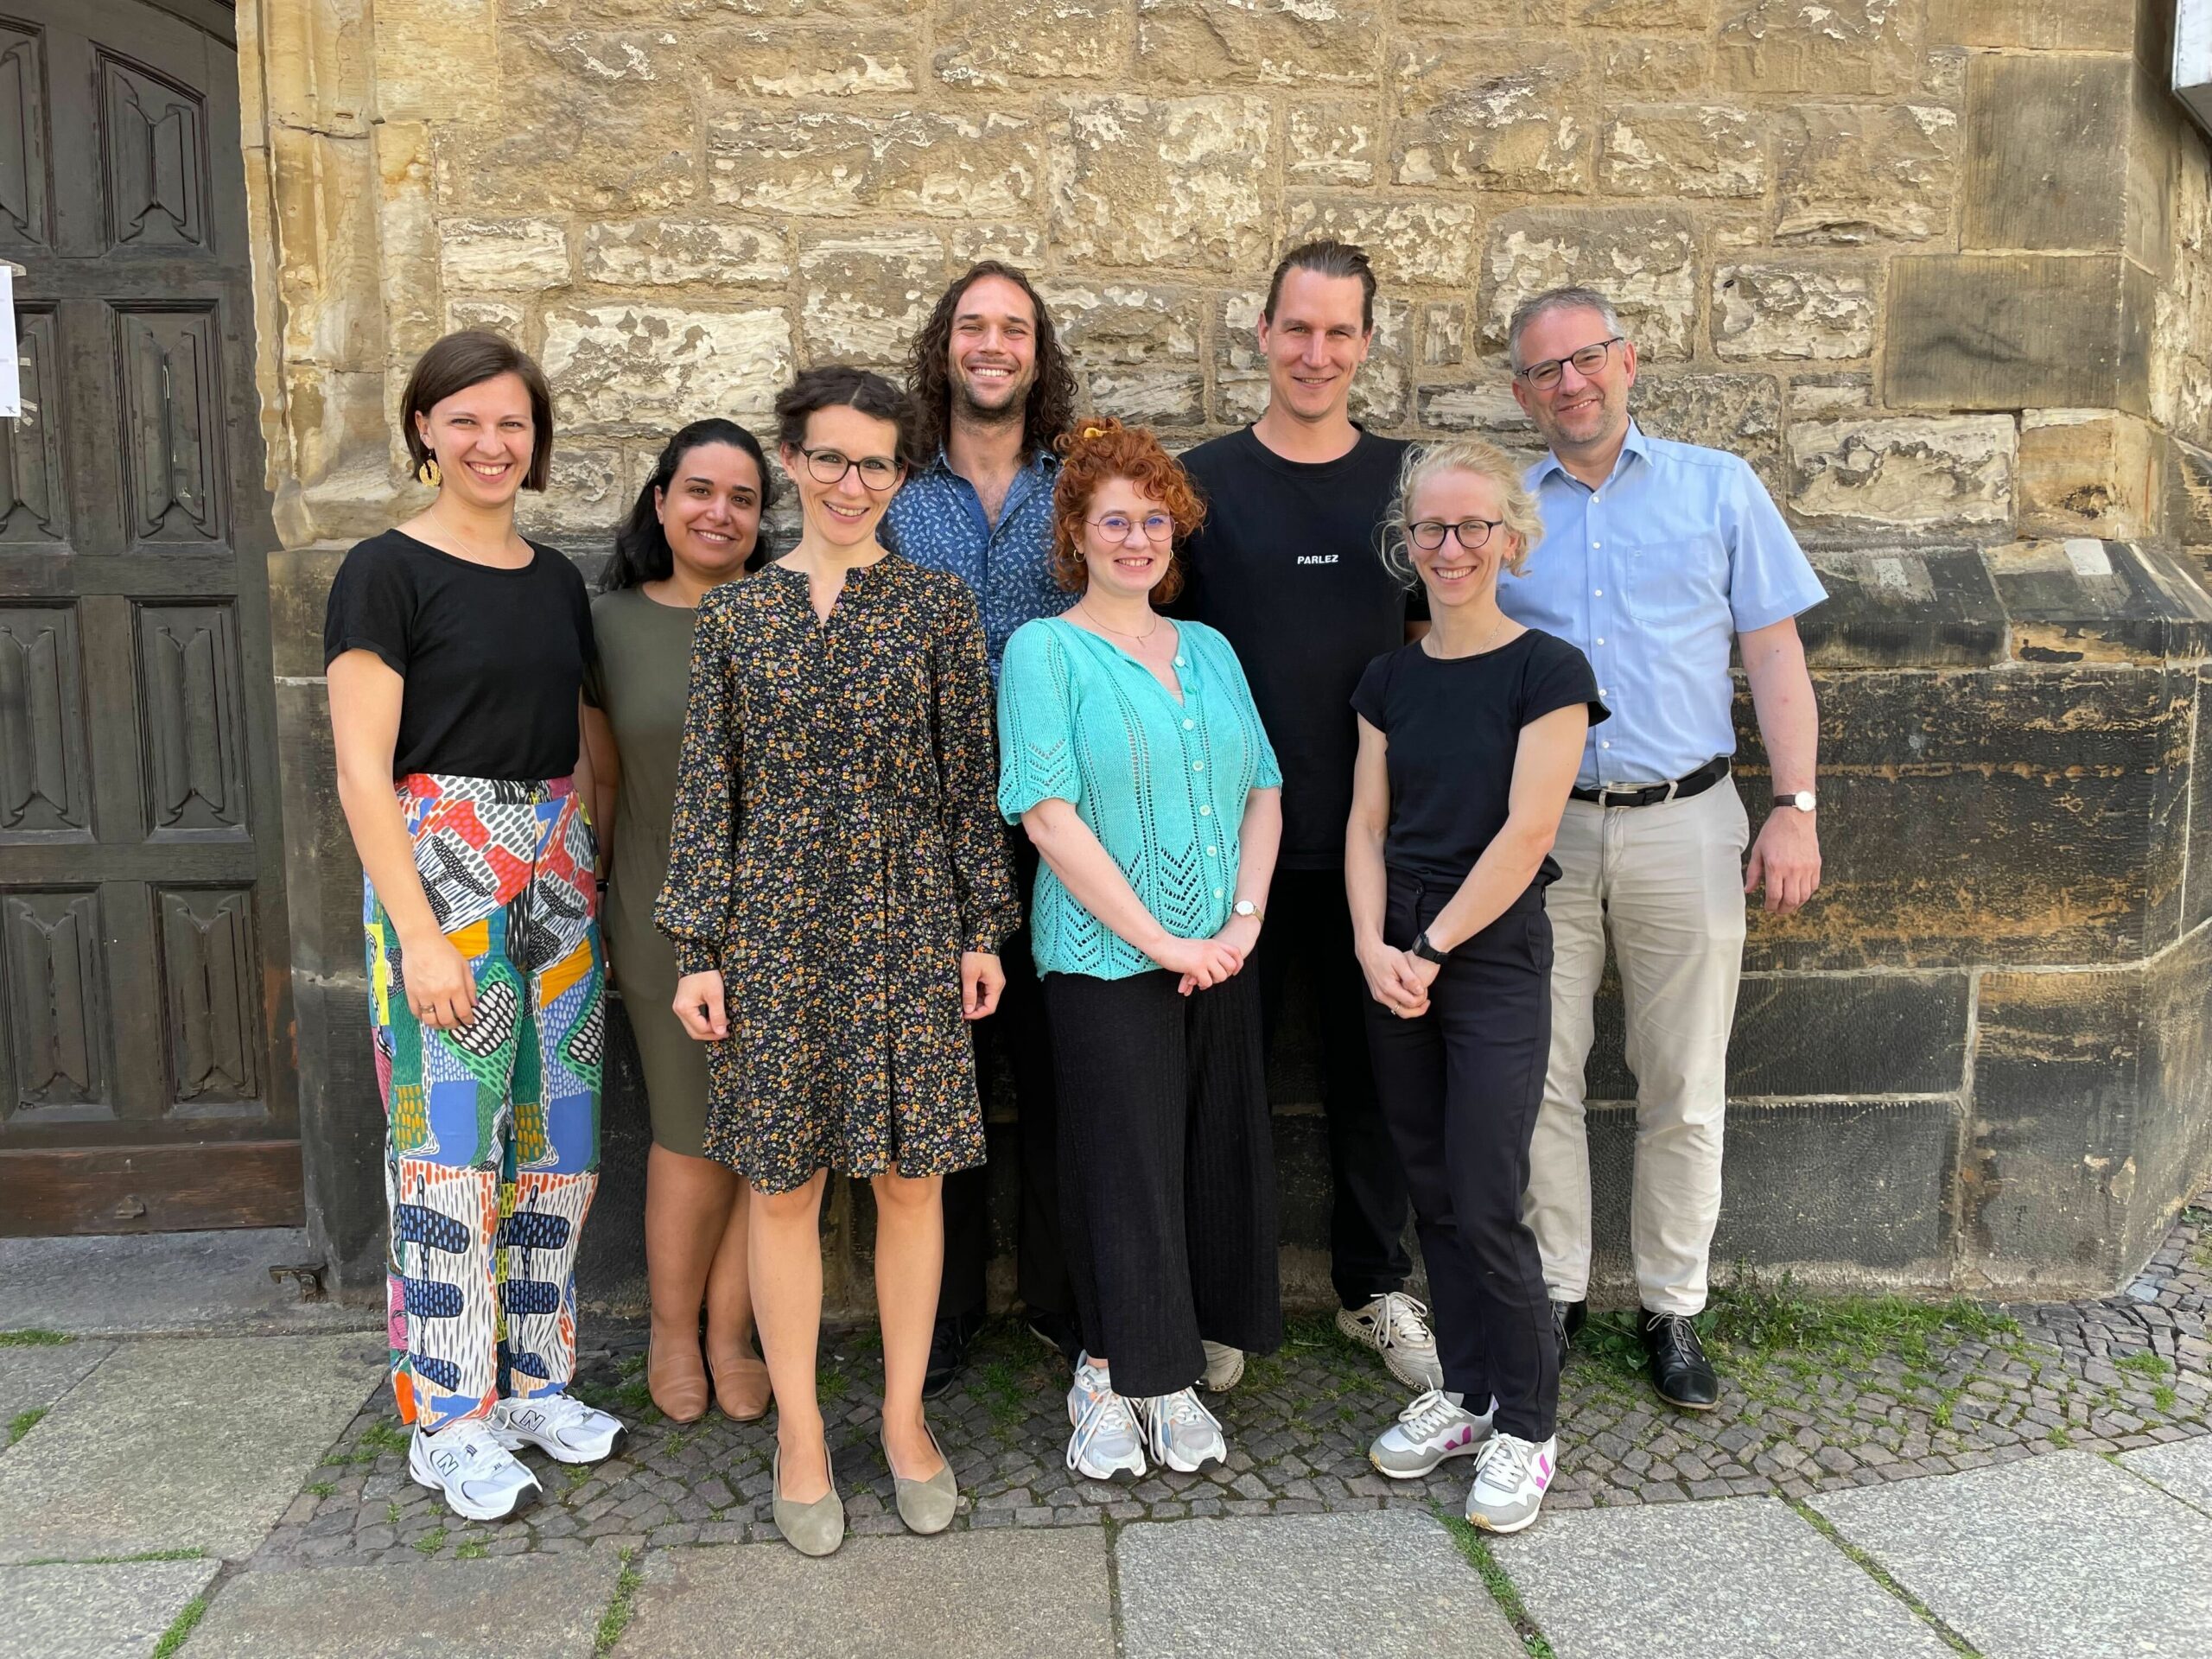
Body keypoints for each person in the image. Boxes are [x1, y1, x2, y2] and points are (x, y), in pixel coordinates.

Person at [656, 365, 1016, 1557]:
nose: (850, 482)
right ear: (793, 464)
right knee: (786, 1184)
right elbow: (710, 790)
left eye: (874, 463)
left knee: (912, 1182)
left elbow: (972, 783)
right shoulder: (737, 618)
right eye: (828, 458)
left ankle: (906, 1420)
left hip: (910, 920)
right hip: (771, 929)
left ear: (898, 476)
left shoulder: (935, 609)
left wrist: (981, 928)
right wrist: (698, 945)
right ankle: (803, 1430)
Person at [1498, 285, 1826, 1411]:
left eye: (1585, 359)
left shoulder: (1717, 489)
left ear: (1628, 361)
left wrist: (1797, 805)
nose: (1570, 384)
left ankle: (1673, 1306)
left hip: (1688, 821)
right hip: (1539, 834)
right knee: (1536, 1073)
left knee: (1683, 1077)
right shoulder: (1502, 512)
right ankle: (1550, 1294)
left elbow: (1774, 657)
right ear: (1520, 393)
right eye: (1545, 371)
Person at [325, 329, 626, 1523]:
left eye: (511, 423)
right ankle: (448, 1414)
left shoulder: (553, 579)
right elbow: (360, 772)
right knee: (450, 1145)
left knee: (561, 1138)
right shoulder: (382, 572)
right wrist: (419, 932)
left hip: (557, 873)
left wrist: (590, 858)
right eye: (465, 421)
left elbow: (579, 730)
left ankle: (535, 1379)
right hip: (439, 871)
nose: (491, 444)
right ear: (424, 433)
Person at [997, 418, 1284, 1482]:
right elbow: (1045, 812)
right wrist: (1162, 938)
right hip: (1103, 957)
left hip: (1220, 951)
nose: (1136, 540)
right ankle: (1115, 1375)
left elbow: (1263, 786)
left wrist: (1239, 925)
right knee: (1121, 1166)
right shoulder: (1045, 650)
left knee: (1207, 1151)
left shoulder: (1207, 648)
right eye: (1113, 521)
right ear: (1075, 532)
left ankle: (1176, 1364)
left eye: (1153, 520)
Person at [1175, 239, 1438, 1394]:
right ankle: (1221, 1298)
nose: (1316, 353)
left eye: (1339, 333)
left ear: (1367, 345)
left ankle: (1375, 1288)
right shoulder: (1203, 485)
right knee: (1221, 1085)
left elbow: (1443, 647)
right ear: (1263, 336)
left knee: (1379, 1079)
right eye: (1297, 329)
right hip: (1233, 845)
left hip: (1377, 845)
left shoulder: (1412, 486)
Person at [1348, 438, 1603, 1535]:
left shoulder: (1548, 671)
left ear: (1511, 537)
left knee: (1489, 1192)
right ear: (1405, 544)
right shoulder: (1388, 678)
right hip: (1394, 949)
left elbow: (1529, 828)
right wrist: (1371, 944)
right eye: (1429, 530)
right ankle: (1465, 1390)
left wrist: (1431, 947)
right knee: (1431, 1188)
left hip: (1486, 951)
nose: (1448, 548)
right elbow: (1365, 823)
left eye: (1470, 528)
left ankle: (1528, 1427)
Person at [881, 261, 1083, 1393]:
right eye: (974, 326)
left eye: (1014, 328)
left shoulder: (1078, 486)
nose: (993, 344)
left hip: (1060, 827)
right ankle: (942, 1315)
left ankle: (1059, 1299)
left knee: (1059, 1069)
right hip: (928, 829)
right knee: (938, 1077)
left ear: (1037, 353)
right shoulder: (899, 492)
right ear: (945, 348)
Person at [581, 419, 777, 1426]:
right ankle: (672, 1329)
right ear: (660, 503)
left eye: (742, 498)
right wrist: (593, 901)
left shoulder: (792, 615)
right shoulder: (607, 624)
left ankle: (734, 1335)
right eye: (700, 491)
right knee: (692, 1136)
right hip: (660, 914)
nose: (719, 512)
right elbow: (601, 774)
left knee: (774, 1140)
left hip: (789, 919)